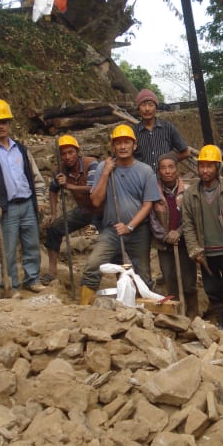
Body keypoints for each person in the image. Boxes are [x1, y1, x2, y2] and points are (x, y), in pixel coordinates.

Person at [79, 124, 160, 306]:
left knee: (142, 273)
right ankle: (83, 310)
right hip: (112, 229)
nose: (123, 146)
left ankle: (145, 313)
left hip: (138, 230)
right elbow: (96, 201)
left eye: (127, 142)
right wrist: (106, 174)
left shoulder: (145, 171)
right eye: (118, 143)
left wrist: (130, 226)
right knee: (93, 264)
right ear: (113, 146)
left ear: (134, 145)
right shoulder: (103, 167)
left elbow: (148, 204)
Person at [0, 99, 47, 293]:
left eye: (5, 122)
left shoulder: (21, 149)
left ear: (9, 123)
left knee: (32, 245)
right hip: (6, 208)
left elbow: (36, 177)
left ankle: (32, 279)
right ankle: (12, 284)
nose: (1, 126)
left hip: (27, 204)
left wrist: (40, 200)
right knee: (8, 250)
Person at [183, 145, 223, 336]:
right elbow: (188, 225)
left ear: (217, 167)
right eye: (202, 166)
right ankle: (222, 323)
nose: (205, 170)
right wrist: (195, 250)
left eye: (210, 166)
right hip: (205, 253)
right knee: (212, 289)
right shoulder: (191, 194)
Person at [42, 134, 100, 285]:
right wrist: (54, 213)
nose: (67, 157)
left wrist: (69, 186)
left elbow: (93, 188)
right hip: (84, 210)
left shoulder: (91, 164)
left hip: (101, 210)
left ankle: (119, 274)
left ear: (77, 152)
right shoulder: (60, 170)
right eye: (63, 154)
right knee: (54, 228)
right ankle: (52, 272)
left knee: (111, 239)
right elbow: (53, 190)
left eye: (71, 152)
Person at [149, 153, 199, 318]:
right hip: (164, 245)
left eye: (171, 167)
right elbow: (151, 218)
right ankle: (176, 316)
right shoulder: (153, 192)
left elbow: (192, 217)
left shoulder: (188, 191)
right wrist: (164, 236)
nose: (167, 171)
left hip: (185, 242)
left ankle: (193, 316)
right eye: (163, 168)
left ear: (177, 169)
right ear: (159, 171)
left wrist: (179, 232)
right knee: (170, 280)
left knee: (189, 281)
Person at [133, 89, 190, 172]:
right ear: (138, 108)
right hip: (143, 181)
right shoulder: (133, 132)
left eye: (151, 104)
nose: (147, 109)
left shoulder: (168, 128)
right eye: (143, 105)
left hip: (166, 180)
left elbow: (186, 152)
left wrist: (168, 162)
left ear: (156, 107)